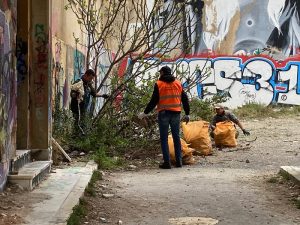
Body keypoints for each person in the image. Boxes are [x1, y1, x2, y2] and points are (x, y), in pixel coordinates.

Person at [138, 66, 190, 169]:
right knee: (176, 137)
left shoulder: (159, 84)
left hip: (164, 114)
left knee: (164, 138)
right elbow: (185, 98)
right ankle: (179, 161)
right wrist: (187, 113)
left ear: (162, 73)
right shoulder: (178, 83)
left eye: (160, 72)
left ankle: (167, 163)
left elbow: (154, 100)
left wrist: (145, 113)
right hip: (176, 113)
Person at [70, 69, 108, 135]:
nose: (91, 80)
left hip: (83, 110)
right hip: (76, 109)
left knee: (82, 126)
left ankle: (79, 140)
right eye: (90, 78)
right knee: (76, 125)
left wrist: (103, 95)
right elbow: (72, 93)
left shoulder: (88, 85)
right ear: (85, 75)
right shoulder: (79, 82)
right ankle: (74, 140)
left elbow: (94, 94)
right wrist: (76, 94)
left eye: (92, 79)